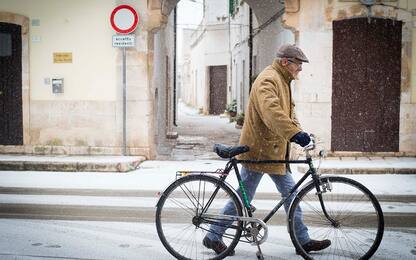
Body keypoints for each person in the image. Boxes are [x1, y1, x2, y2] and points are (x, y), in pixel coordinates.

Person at [203, 44, 331, 256]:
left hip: (272, 150)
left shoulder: (282, 80)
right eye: (298, 64)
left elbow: (288, 114)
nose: (300, 69)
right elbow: (272, 113)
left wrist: (299, 132)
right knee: (263, 196)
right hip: (261, 151)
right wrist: (294, 135)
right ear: (285, 62)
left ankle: (302, 240)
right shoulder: (268, 80)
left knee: (286, 195)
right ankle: (302, 241)